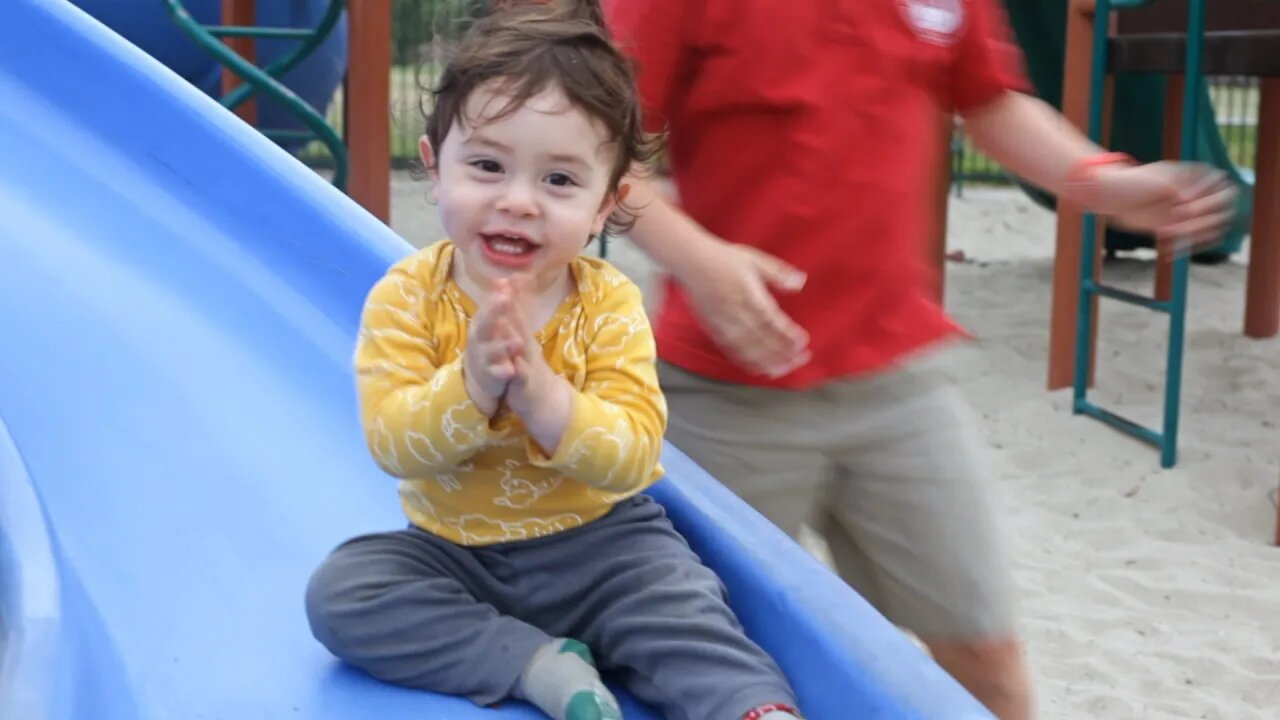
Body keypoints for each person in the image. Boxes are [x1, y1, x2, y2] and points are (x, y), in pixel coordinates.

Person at [601, 1, 1238, 718]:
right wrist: (702, 260)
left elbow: (992, 103)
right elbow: (598, 147)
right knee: (721, 665)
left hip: (897, 383)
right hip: (725, 393)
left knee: (983, 647)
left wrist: (1106, 182)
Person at [303, 3, 804, 720]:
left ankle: (751, 710)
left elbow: (633, 457)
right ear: (433, 169)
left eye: (560, 181)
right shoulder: (406, 297)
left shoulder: (607, 305)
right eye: (486, 165)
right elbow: (394, 444)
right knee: (344, 595)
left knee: (682, 607)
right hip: (455, 554)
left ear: (606, 206)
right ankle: (535, 662)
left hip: (605, 549)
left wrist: (547, 401)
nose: (517, 201)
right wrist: (471, 387)